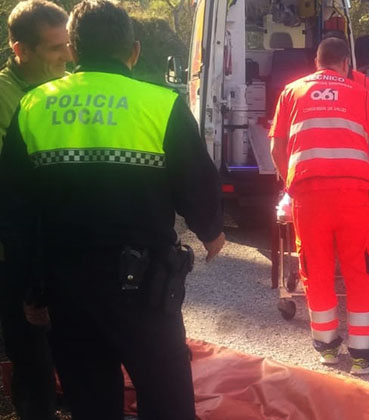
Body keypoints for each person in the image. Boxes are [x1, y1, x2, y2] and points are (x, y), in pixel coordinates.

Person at [0, 1, 226, 418]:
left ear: (74, 50)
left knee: (91, 403)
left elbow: (16, 211)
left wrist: (31, 287)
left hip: (66, 289)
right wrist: (212, 231)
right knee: (168, 400)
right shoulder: (159, 104)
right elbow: (197, 181)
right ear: (134, 51)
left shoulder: (33, 105)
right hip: (145, 290)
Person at [269, 37, 369, 375]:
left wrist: (291, 182)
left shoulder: (291, 92)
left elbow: (277, 148)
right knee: (360, 269)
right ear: (345, 64)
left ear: (317, 62)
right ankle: (363, 356)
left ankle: (326, 349)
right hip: (353, 196)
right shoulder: (360, 92)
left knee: (316, 268)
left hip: (308, 196)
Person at [0, 1, 71, 418]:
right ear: (19, 49)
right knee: (32, 354)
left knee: (70, 341)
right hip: (17, 254)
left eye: (68, 45)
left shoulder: (61, 89)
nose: (65, 57)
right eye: (53, 49)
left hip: (62, 245)